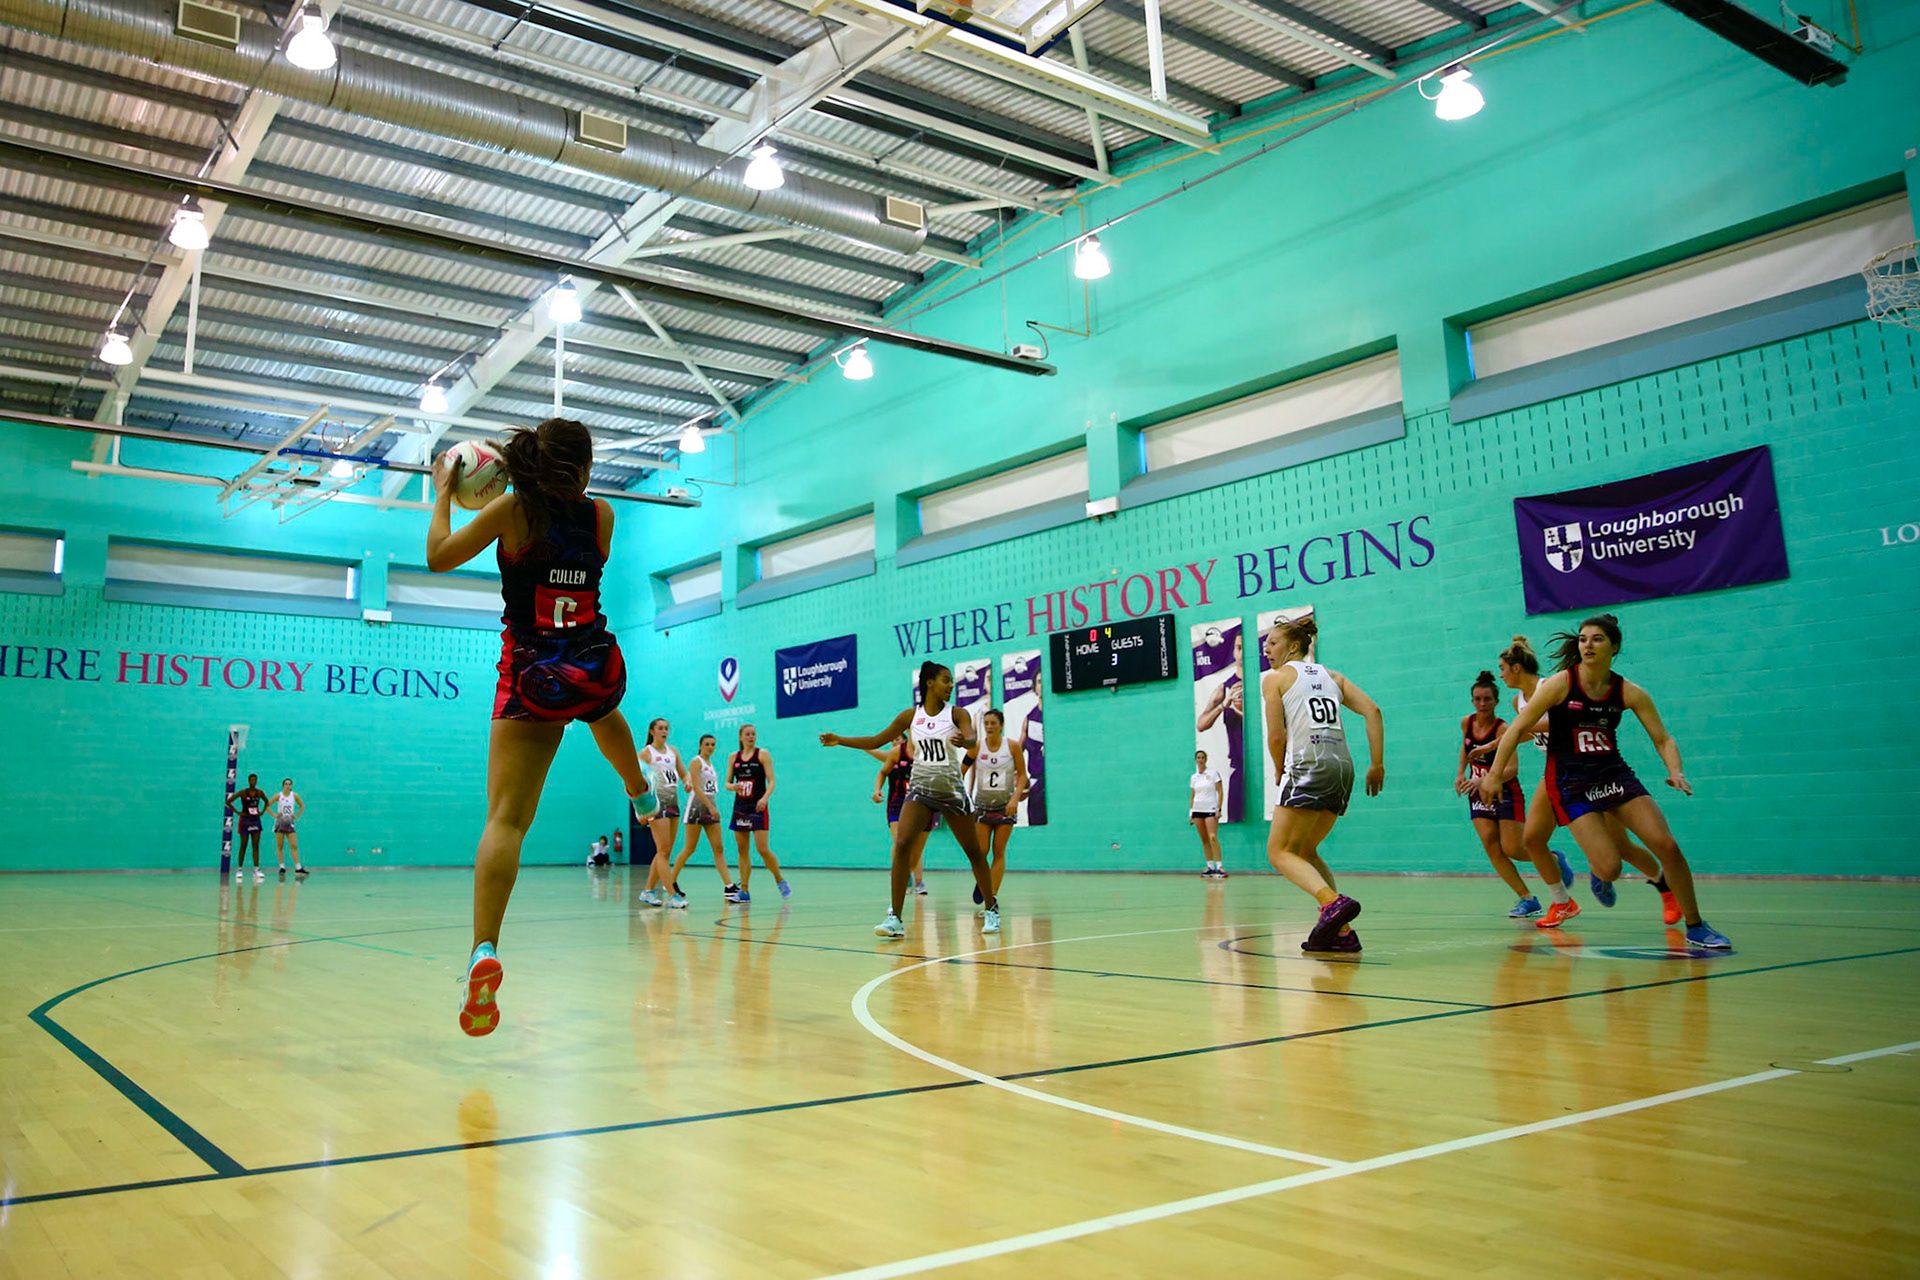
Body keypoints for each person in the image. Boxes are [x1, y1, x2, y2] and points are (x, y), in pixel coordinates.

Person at [428, 417, 657, 1037]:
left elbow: (438, 558)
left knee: (505, 821)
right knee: (602, 710)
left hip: (533, 675)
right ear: (585, 469)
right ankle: (638, 787)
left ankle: (483, 950)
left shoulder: (510, 511)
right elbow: (587, 552)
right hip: (593, 661)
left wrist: (444, 493)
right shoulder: (603, 516)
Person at [1481, 615, 1730, 949]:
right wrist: (1495, 773)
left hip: (1613, 774)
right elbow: (1517, 727)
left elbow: (1663, 739)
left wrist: (1676, 769)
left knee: (1667, 845)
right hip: (1571, 781)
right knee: (1611, 867)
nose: (1587, 645)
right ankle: (1593, 877)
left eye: (1597, 639)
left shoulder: (1629, 691)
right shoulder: (1560, 684)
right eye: (1583, 639)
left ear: (1614, 646)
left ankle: (1696, 925)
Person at [1499, 635, 1680, 929]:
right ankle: (1562, 902)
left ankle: (1665, 889)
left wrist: (1512, 734)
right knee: (1532, 838)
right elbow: (1530, 732)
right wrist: (1497, 745)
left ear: (1517, 668)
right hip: (1559, 771)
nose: (1500, 674)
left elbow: (1554, 723)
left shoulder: (1553, 685)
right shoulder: (1517, 700)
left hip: (1595, 770)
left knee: (1622, 848)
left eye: (1503, 667)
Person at [821, 661, 1001, 939]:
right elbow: (875, 740)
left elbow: (972, 736)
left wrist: (965, 742)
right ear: (929, 683)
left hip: (951, 791)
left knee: (974, 852)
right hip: (920, 790)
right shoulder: (909, 717)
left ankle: (991, 909)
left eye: (951, 680)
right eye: (945, 680)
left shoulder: (957, 713)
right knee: (903, 844)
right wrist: (839, 740)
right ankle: (895, 918)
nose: (951, 685)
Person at [1260, 615, 1385, 953]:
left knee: (1277, 852)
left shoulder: (1275, 679)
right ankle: (1341, 931)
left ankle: (1331, 902)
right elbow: (1373, 711)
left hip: (1307, 765)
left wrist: (1277, 769)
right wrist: (1377, 764)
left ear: (1294, 646)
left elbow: (1276, 735)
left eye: (1272, 642)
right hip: (1343, 768)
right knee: (1304, 850)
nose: (1266, 648)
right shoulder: (1334, 676)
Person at [1455, 671, 1539, 917]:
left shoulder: (1503, 728)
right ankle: (1527, 898)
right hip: (1477, 792)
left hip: (1504, 790)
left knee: (1514, 848)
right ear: (1472, 701)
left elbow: (1512, 769)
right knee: (1491, 846)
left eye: (1487, 699)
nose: (1482, 704)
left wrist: (1483, 779)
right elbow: (1465, 747)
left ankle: (1553, 859)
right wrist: (1461, 773)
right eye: (1478, 699)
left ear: (1496, 701)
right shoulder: (1467, 723)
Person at [966, 708, 1028, 904]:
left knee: (998, 851)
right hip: (983, 805)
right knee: (981, 852)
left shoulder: (1012, 746)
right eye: (986, 723)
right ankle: (982, 879)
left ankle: (991, 896)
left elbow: (1023, 775)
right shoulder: (977, 747)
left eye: (993, 723)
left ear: (1001, 725)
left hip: (1005, 806)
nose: (989, 727)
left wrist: (1014, 799)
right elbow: (961, 769)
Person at [669, 733, 737, 899]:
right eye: (707, 744)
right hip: (697, 807)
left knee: (718, 848)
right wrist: (710, 807)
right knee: (690, 848)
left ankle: (729, 886)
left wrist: (712, 807)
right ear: (700, 745)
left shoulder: (711, 764)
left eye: (713, 744)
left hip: (711, 807)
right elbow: (697, 789)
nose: (710, 747)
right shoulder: (696, 761)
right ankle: (670, 881)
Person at [726, 723, 788, 902]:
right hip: (740, 807)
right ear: (741, 737)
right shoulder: (733, 757)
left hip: (758, 807)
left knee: (762, 848)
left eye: (753, 734)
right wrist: (733, 787)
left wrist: (764, 799)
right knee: (742, 849)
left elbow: (772, 781)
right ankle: (744, 891)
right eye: (747, 734)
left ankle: (779, 879)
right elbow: (727, 783)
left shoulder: (763, 754)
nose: (751, 737)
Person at [871, 737, 939, 895]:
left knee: (915, 846)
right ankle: (900, 875)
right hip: (897, 804)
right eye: (892, 740)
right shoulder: (895, 754)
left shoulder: (927, 752)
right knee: (901, 842)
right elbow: (881, 766)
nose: (894, 742)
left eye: (897, 739)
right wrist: (877, 790)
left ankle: (918, 882)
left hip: (919, 805)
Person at [1194, 629, 1245, 821]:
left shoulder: (1268, 681)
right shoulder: (1224, 688)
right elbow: (1201, 724)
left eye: (1245, 648)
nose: (1241, 653)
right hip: (1239, 767)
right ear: (1233, 652)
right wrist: (1220, 706)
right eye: (1238, 648)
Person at [638, 718, 688, 908]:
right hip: (656, 804)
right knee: (664, 851)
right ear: (652, 731)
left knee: (664, 852)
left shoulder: (673, 751)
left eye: (667, 728)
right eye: (660, 728)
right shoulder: (645, 753)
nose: (664, 731)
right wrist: (640, 810)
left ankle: (648, 891)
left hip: (673, 802)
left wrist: (688, 781)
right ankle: (673, 895)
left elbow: (683, 774)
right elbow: (632, 782)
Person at [1189, 750, 1226, 879]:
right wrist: (1191, 812)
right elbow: (1193, 796)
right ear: (1195, 760)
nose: (1200, 760)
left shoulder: (1213, 773)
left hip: (1210, 808)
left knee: (1213, 837)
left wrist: (1218, 808)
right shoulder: (1194, 777)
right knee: (1204, 839)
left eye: (1203, 757)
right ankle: (1210, 866)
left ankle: (1220, 866)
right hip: (1198, 809)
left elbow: (1220, 791)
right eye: (1198, 757)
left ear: (1206, 759)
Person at [226, 773, 268, 880]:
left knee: (255, 845)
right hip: (245, 820)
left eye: (255, 780)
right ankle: (239, 870)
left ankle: (256, 869)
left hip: (256, 821)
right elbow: (228, 801)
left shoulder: (259, 792)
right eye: (252, 780)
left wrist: (262, 812)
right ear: (248, 781)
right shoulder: (243, 793)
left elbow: (267, 802)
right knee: (243, 845)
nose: (253, 781)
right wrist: (238, 812)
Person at [270, 778, 309, 880]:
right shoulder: (279, 795)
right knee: (280, 845)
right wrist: (274, 815)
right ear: (283, 785)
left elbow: (302, 806)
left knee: (293, 845)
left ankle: (298, 867)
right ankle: (282, 867)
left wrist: (296, 816)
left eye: (289, 784)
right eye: (286, 784)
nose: (288, 785)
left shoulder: (294, 795)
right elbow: (267, 805)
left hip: (290, 823)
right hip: (280, 822)